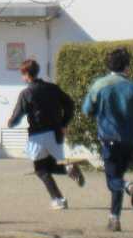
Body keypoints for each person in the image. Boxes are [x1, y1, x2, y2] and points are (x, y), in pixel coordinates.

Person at [81, 47, 133, 231]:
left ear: (109, 66)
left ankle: (129, 187)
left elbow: (86, 109)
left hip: (109, 137)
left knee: (112, 179)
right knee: (117, 175)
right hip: (131, 139)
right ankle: (114, 219)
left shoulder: (99, 85)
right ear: (127, 67)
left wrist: (99, 114)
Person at [7, 57, 84, 211]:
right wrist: (64, 123)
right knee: (50, 165)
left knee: (40, 170)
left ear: (27, 74)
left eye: (22, 74)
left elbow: (18, 114)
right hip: (56, 132)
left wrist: (11, 123)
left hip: (38, 134)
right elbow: (69, 103)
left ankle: (59, 199)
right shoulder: (53, 88)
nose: (22, 78)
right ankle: (68, 168)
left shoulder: (27, 93)